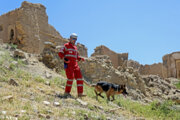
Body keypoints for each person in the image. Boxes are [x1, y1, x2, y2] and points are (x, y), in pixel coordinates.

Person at [58, 33, 86, 97]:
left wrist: (80, 58)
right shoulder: (66, 45)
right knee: (70, 78)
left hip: (75, 65)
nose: (74, 40)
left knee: (79, 78)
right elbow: (60, 53)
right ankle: (67, 93)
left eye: (75, 39)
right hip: (69, 65)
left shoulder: (75, 48)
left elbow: (77, 56)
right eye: (73, 38)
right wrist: (64, 58)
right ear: (70, 38)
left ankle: (80, 94)